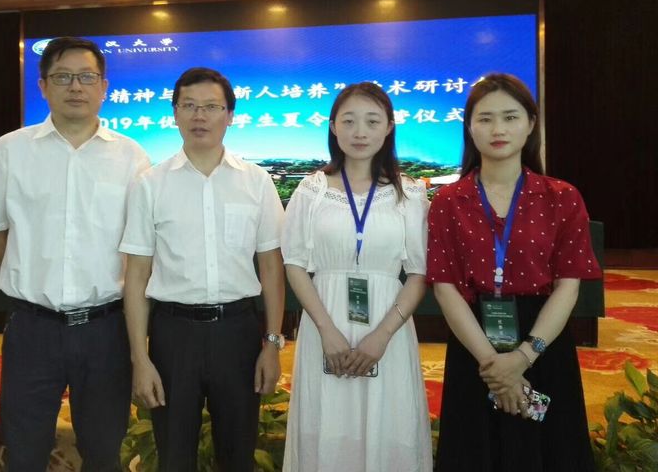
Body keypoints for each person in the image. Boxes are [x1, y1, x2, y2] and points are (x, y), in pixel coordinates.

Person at [0, 37, 150, 471]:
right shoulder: (8, 151)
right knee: (25, 451)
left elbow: (141, 247)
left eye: (87, 77)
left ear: (104, 87)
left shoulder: (131, 156)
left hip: (105, 330)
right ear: (43, 86)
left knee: (103, 451)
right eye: (63, 77)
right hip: (32, 328)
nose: (75, 87)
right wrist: (30, 276)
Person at [427, 73, 601, 471]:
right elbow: (445, 288)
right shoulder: (449, 201)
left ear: (530, 124)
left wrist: (523, 356)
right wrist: (494, 365)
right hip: (475, 343)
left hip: (543, 340)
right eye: (485, 119)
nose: (498, 129)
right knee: (476, 452)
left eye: (510, 117)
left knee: (549, 451)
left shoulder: (562, 197)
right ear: (469, 127)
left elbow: (568, 287)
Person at [120, 67, 285, 472]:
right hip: (173, 336)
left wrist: (272, 344)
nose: (200, 116)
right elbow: (136, 276)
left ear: (230, 115)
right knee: (174, 456)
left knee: (238, 455)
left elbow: (271, 268)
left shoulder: (256, 181)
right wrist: (140, 358)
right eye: (189, 106)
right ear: (174, 113)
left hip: (238, 333)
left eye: (211, 107)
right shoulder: (150, 184)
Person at [281, 82, 433, 472]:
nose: (360, 132)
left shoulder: (409, 193)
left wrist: (381, 335)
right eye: (348, 121)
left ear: (389, 127)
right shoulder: (312, 190)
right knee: (326, 423)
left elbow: (418, 273)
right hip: (324, 323)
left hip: (388, 329)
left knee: (388, 423)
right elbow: (295, 264)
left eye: (372, 121)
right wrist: (326, 330)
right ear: (333, 127)